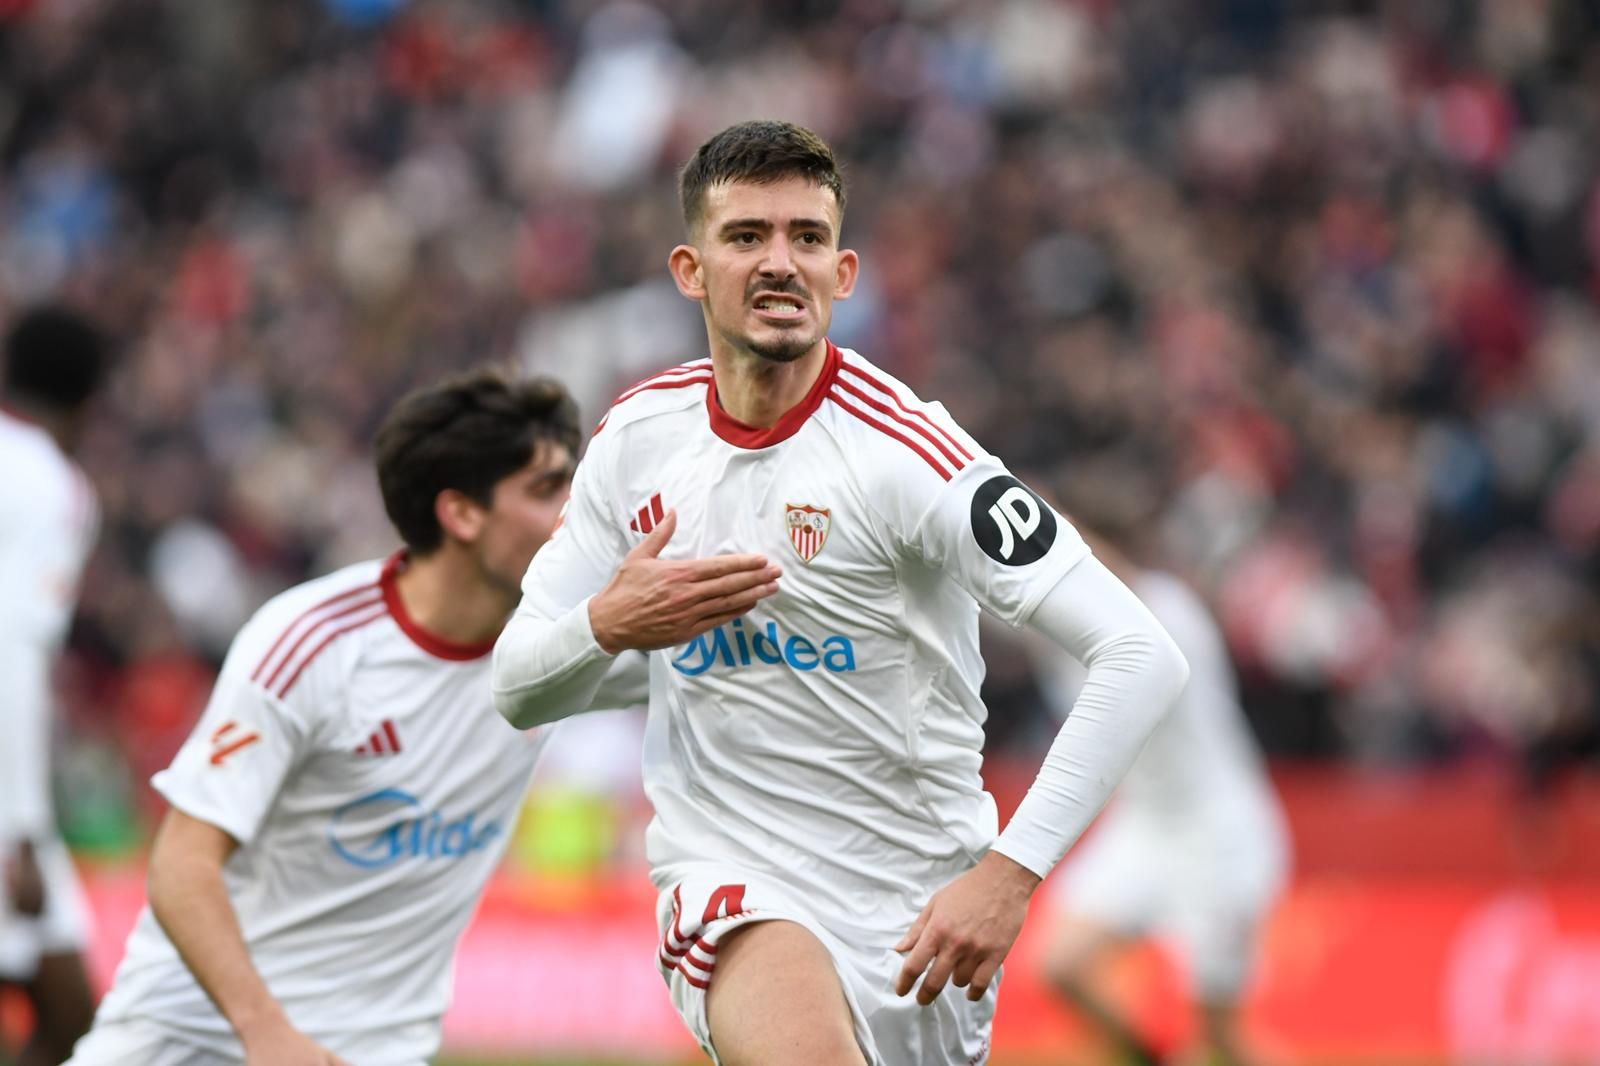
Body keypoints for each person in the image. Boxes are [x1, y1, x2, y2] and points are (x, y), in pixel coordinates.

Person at [491, 119, 1191, 1066]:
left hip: (918, 920)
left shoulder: (911, 456)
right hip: (731, 881)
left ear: (844, 273)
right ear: (691, 270)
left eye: (806, 239)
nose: (781, 262)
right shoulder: (636, 439)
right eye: (747, 237)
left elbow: (1143, 654)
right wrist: (609, 623)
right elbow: (520, 683)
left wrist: (1007, 876)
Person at [66, 369, 604, 1066]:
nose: (575, 510)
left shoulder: (569, 642)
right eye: (546, 489)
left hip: (375, 1051)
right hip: (191, 1039)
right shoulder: (314, 644)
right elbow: (181, 862)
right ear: (461, 514)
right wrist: (267, 1033)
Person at [1033, 486, 1289, 1066]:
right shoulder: (1061, 635)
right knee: (1059, 967)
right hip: (1144, 828)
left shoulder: (1167, 609)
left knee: (1223, 1041)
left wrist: (1052, 532)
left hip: (1219, 834)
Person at [0, 306, 108, 1066]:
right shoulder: (49, 486)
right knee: (75, 1022)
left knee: (73, 1019)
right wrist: (23, 830)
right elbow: (11, 655)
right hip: (9, 814)